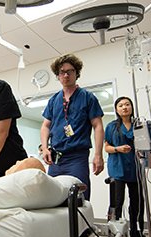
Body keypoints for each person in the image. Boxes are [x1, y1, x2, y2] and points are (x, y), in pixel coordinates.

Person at [40, 54, 104, 200]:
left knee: (79, 200)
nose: (66, 75)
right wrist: (44, 148)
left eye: (70, 71)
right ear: (58, 76)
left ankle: (81, 223)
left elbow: (98, 126)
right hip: (56, 160)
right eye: (62, 72)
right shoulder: (54, 100)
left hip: (77, 158)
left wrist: (98, 155)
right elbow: (45, 126)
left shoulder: (88, 97)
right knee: (52, 199)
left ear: (77, 73)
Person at [104, 96, 147, 237]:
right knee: (116, 204)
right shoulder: (111, 126)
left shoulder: (139, 125)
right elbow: (106, 147)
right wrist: (118, 149)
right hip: (117, 168)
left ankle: (137, 236)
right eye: (120, 105)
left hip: (135, 169)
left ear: (131, 107)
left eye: (127, 104)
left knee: (137, 204)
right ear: (116, 109)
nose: (124, 107)